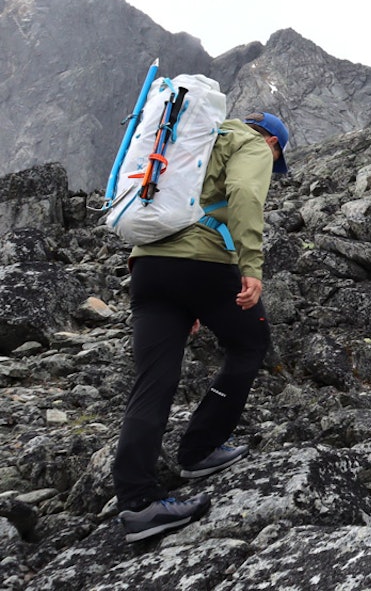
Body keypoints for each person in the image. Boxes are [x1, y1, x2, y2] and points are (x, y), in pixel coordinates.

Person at [113, 111, 290, 542]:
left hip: (149, 267)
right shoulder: (251, 144)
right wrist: (251, 265)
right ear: (273, 143)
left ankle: (137, 502)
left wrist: (184, 298)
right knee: (249, 344)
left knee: (154, 378)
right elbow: (245, 192)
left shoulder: (186, 140)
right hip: (205, 264)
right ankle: (200, 450)